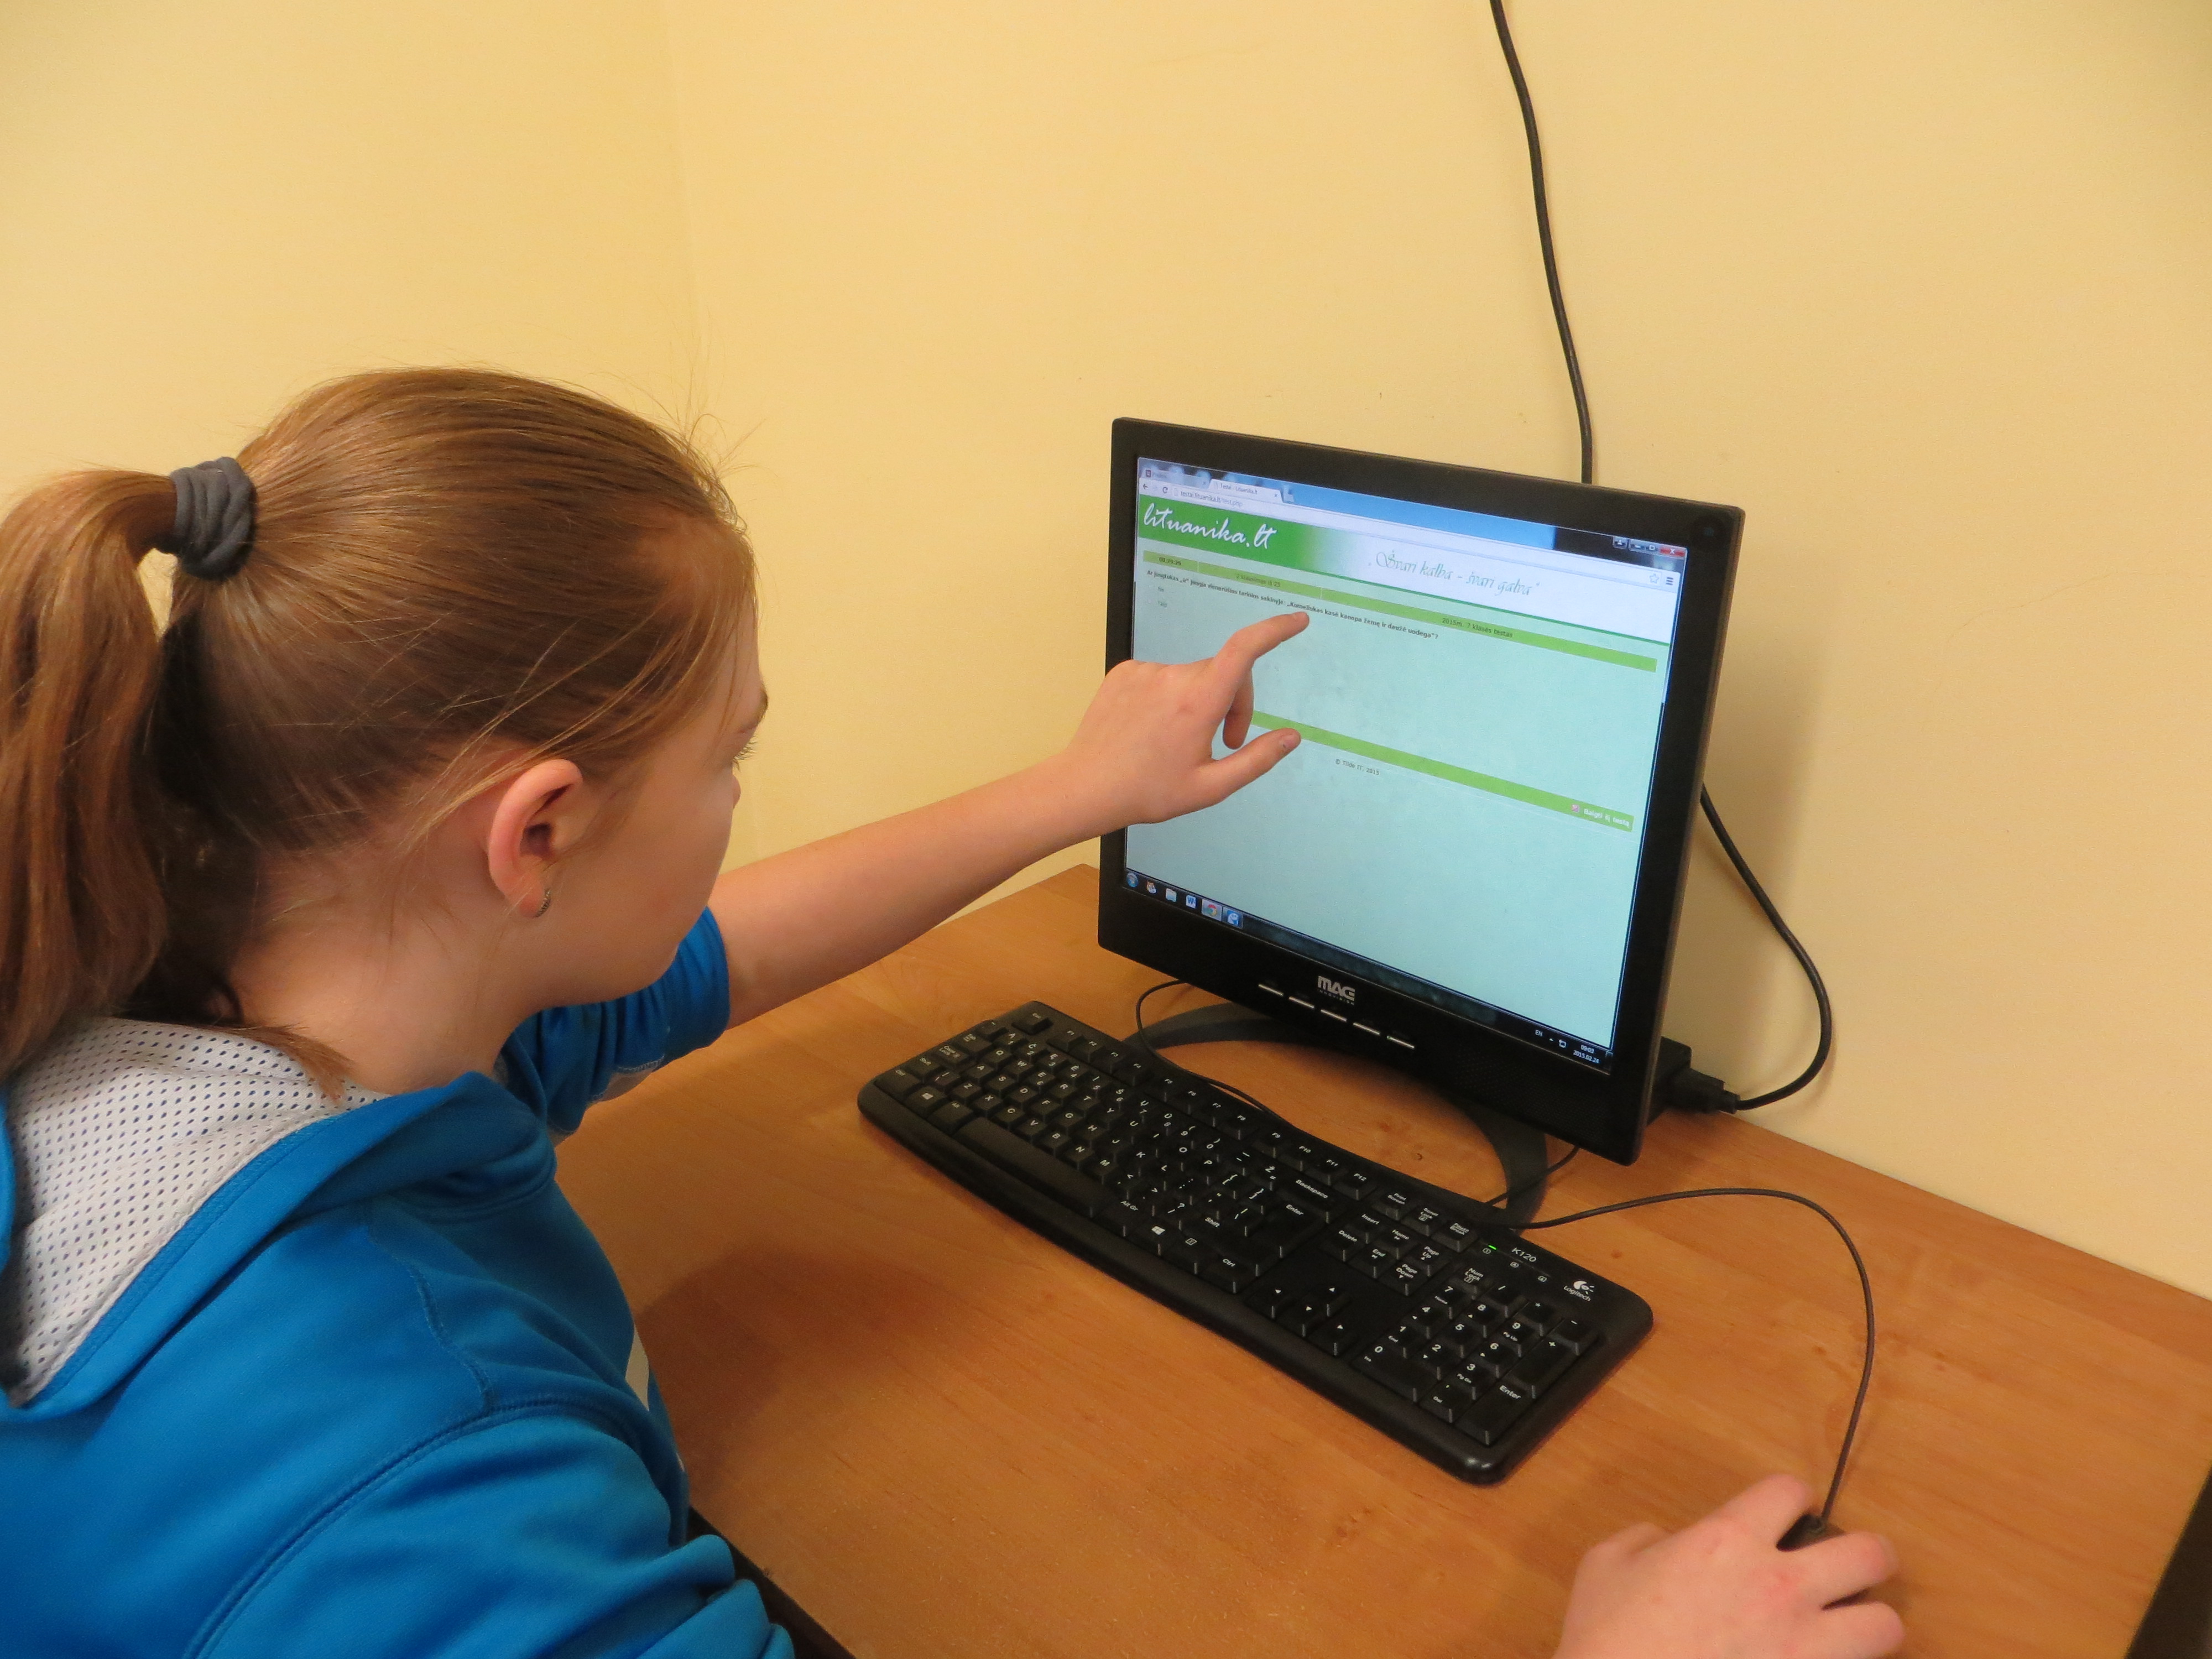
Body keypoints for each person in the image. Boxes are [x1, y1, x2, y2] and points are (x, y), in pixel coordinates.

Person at [0, 369, 1901, 1657]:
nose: (739, 801)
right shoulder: (412, 1481)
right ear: (539, 835)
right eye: (731, 758)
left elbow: (700, 966)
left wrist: (1081, 791)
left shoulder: (187, 1019)